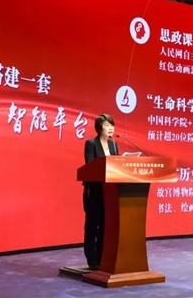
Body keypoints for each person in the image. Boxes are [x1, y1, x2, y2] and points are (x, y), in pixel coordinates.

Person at [82, 113, 119, 270]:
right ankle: (92, 259)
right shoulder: (91, 144)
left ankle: (102, 256)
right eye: (107, 125)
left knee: (105, 224)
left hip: (109, 192)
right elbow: (90, 167)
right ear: (99, 128)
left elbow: (117, 167)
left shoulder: (114, 145)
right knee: (93, 224)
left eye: (112, 125)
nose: (110, 128)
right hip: (94, 191)